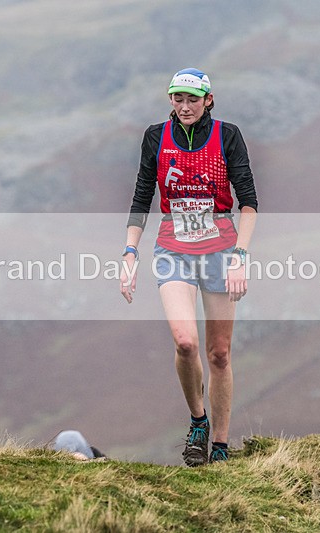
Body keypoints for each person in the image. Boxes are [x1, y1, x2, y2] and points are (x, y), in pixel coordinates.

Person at [120, 68, 258, 466]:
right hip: (173, 250)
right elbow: (142, 195)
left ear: (208, 100)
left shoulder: (227, 136)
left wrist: (240, 256)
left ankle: (220, 445)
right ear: (170, 101)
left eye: (192, 100)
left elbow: (248, 200)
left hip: (220, 251)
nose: (184, 107)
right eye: (177, 99)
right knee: (185, 342)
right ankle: (198, 420)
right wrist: (130, 253)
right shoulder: (155, 137)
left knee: (218, 354)